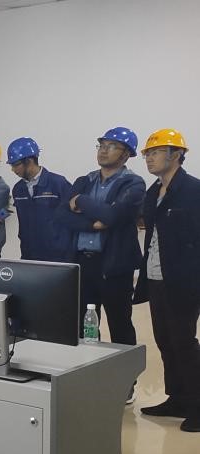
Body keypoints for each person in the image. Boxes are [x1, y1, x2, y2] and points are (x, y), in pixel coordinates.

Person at [54, 127, 144, 347]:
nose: (104, 150)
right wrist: (92, 224)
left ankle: (126, 370)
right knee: (85, 327)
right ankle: (90, 365)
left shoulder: (133, 183)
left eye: (112, 146)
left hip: (114, 266)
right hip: (82, 263)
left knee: (120, 326)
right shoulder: (85, 180)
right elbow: (61, 215)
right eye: (101, 145)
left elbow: (111, 216)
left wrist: (81, 201)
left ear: (126, 154)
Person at [134, 129, 200, 430]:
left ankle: (197, 404)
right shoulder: (153, 193)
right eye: (147, 153)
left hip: (185, 280)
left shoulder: (193, 190)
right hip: (156, 277)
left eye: (155, 152)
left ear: (176, 155)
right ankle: (178, 398)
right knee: (165, 340)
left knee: (184, 342)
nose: (149, 158)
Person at [6, 137, 74, 263]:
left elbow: (73, 217)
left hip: (58, 256)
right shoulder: (18, 189)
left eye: (16, 165)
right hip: (29, 254)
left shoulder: (58, 183)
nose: (13, 170)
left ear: (29, 161)